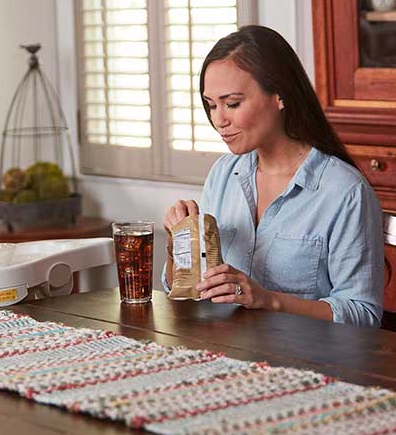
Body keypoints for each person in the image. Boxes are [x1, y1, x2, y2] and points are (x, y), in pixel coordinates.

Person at [162, 25, 384, 328]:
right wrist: (179, 246)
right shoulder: (223, 175)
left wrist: (268, 300)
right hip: (230, 354)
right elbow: (193, 293)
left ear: (279, 96)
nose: (218, 120)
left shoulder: (344, 192)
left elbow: (363, 315)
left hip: (312, 363)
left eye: (232, 103)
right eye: (211, 105)